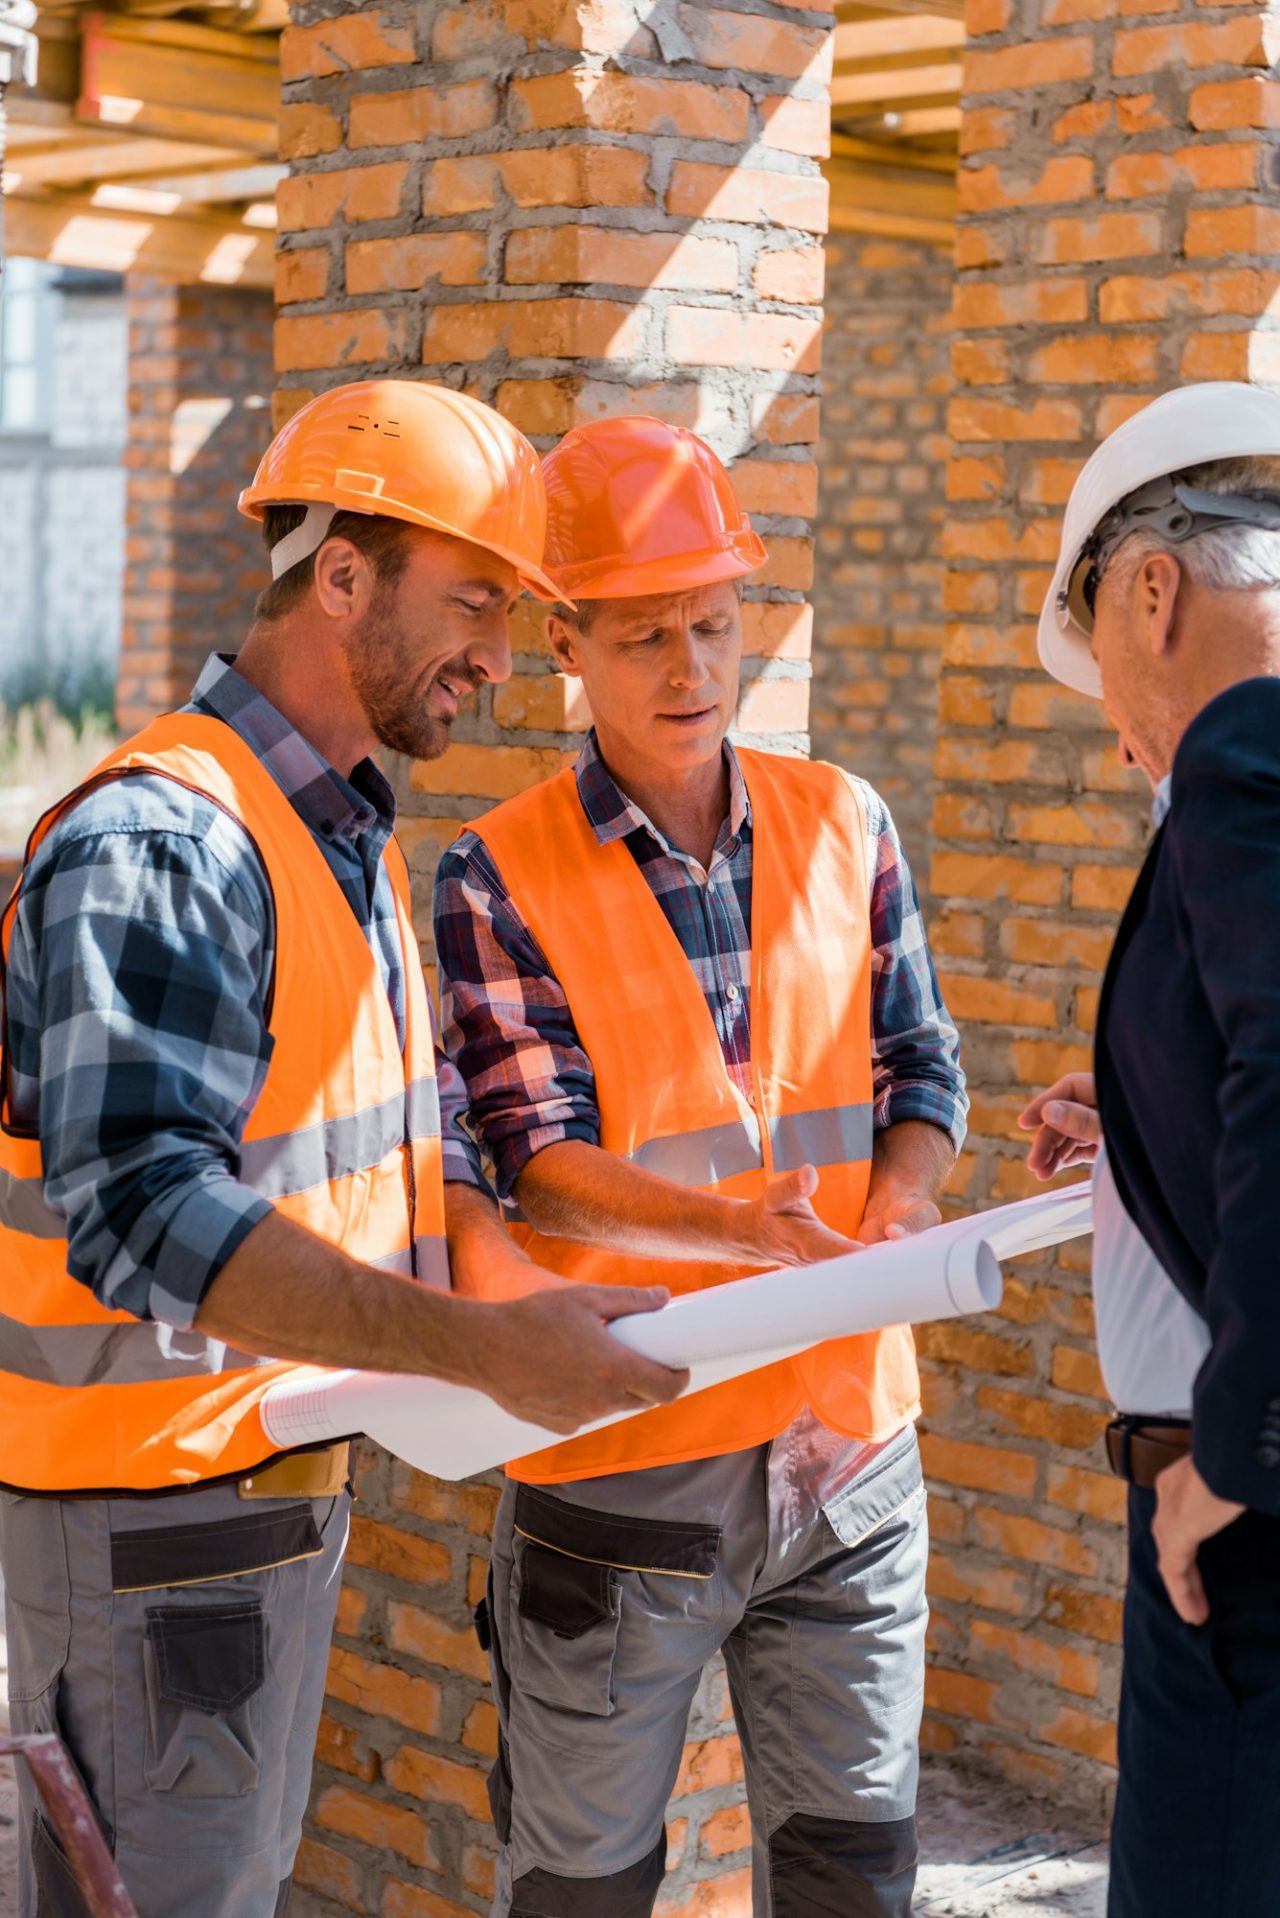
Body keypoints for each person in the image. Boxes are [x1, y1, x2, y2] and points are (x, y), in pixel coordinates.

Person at [0, 380, 684, 1918]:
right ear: (344, 574)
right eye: (478, 603)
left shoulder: (340, 840)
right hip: (141, 1530)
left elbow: (407, 1130)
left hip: (244, 1513)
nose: (504, 662)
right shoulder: (167, 839)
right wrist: (476, 1346)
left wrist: (504, 1300)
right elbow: (142, 1211)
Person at [435, 415, 968, 1918]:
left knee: (854, 1874)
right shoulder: (497, 867)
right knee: (582, 1885)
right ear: (567, 642)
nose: (694, 669)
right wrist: (732, 1225)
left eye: (718, 625)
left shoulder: (842, 818)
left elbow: (920, 1070)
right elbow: (536, 1157)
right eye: (649, 633)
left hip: (853, 1450)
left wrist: (905, 1212)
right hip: (628, 1465)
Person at [1020, 379, 1280, 1918]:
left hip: (1236, 1530)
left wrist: (1237, 1457)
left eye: (1104, 671)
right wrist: (1139, 1109)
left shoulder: (1245, 743)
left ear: (1153, 589)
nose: (1122, 739)